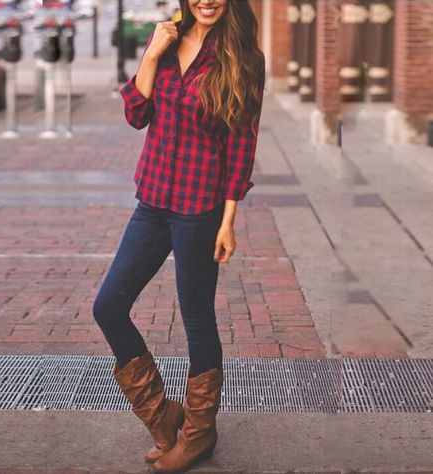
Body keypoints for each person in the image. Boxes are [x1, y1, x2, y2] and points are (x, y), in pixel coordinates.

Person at [92, 1, 265, 472]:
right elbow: (136, 114)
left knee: (196, 318)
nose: (207, 0)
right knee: (107, 306)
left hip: (200, 207)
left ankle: (199, 433)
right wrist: (151, 54)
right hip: (153, 200)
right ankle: (165, 417)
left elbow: (242, 142)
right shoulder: (165, 41)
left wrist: (229, 219)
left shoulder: (243, 57)